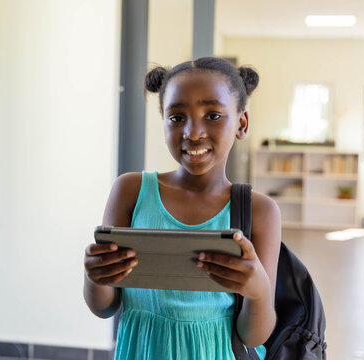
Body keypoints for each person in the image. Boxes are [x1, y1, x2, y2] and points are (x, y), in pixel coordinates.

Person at [84, 57, 281, 360]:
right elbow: (104, 306)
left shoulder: (260, 211)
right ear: (163, 122)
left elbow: (253, 335)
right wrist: (95, 276)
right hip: (142, 350)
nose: (192, 132)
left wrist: (258, 292)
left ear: (241, 124)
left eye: (213, 115)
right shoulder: (131, 191)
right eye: (177, 118)